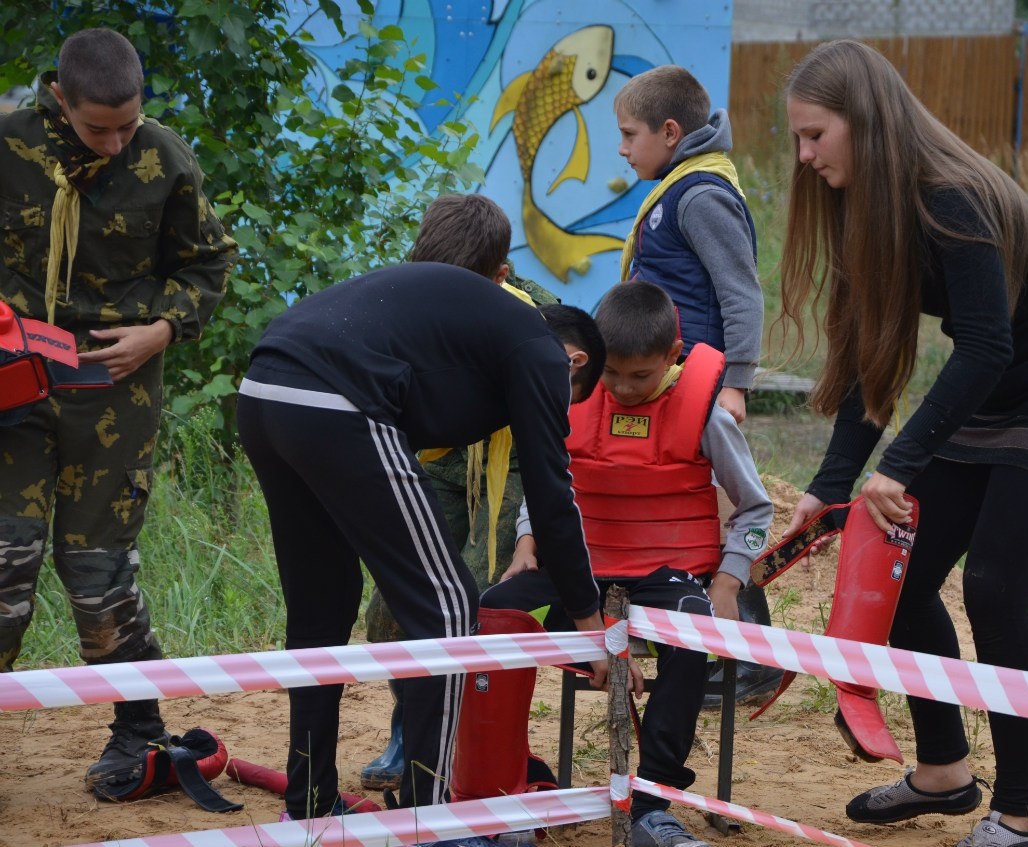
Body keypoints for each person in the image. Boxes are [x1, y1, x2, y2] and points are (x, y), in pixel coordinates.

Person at [778, 40, 1028, 847]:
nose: (803, 156)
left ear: (865, 122)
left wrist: (897, 465)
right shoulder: (865, 204)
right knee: (903, 576)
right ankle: (942, 769)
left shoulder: (952, 197)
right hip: (992, 395)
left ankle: (1017, 817)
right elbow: (866, 362)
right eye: (796, 137)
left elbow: (984, 345)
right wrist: (829, 485)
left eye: (815, 135)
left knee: (995, 591)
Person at [236, 252, 610, 828]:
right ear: (574, 361)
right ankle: (428, 826)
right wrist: (589, 623)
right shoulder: (540, 351)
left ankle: (308, 810)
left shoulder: (485, 332)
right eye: (571, 397)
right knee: (448, 607)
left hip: (264, 390)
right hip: (338, 397)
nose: (556, 412)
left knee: (320, 609)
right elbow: (552, 497)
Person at [0, 27, 236, 796]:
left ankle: (137, 731)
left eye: (127, 125)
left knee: (98, 569)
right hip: (12, 389)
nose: (114, 143)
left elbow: (207, 262)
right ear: (59, 98)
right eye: (97, 128)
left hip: (113, 389)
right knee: (5, 560)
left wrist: (161, 330)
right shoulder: (9, 145)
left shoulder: (162, 156)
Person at [483, 280, 775, 847]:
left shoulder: (707, 415)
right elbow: (546, 485)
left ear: (673, 355)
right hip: (579, 571)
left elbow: (756, 507)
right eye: (611, 373)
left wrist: (727, 580)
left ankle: (652, 802)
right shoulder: (572, 396)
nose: (622, 387)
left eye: (640, 375)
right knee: (492, 612)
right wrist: (526, 541)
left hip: (667, 575)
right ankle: (507, 782)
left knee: (693, 638)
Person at [359, 193, 561, 792]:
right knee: (390, 608)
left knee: (467, 600)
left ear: (499, 276)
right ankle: (407, 722)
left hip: (511, 465)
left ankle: (448, 741)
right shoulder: (399, 295)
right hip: (436, 458)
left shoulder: (541, 316)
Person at [613, 64, 780, 704]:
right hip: (672, 377)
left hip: (700, 381)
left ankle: (750, 661)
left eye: (629, 134)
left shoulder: (700, 196)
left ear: (670, 132)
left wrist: (734, 384)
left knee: (725, 509)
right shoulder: (676, 187)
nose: (623, 149)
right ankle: (698, 643)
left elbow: (741, 292)